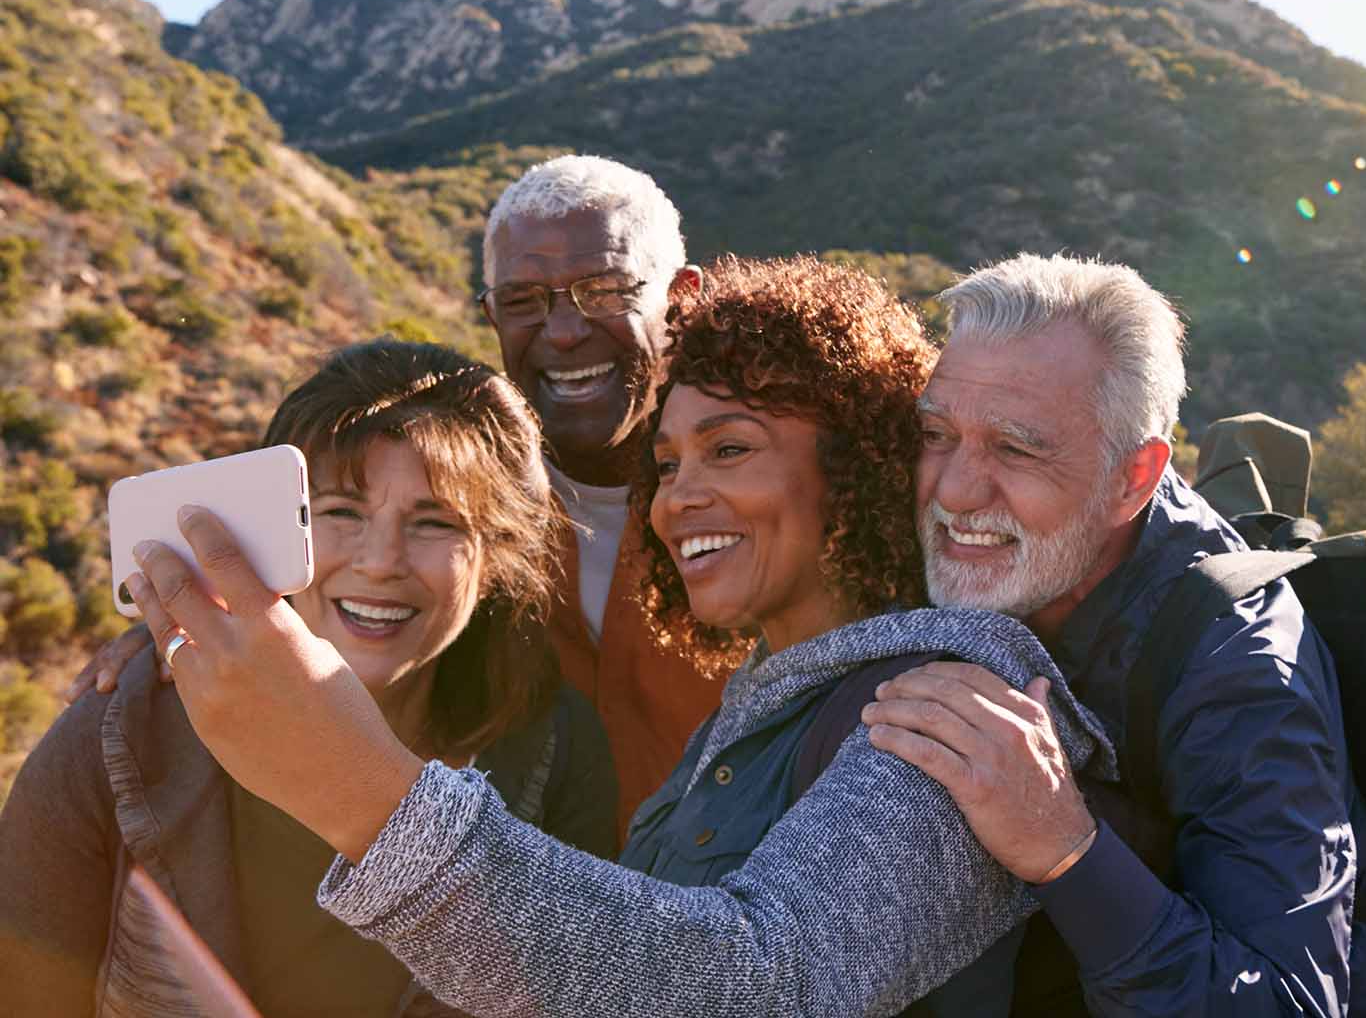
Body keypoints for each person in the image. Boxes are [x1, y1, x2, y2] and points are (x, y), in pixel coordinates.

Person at [114, 255, 1120, 1017]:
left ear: (856, 466)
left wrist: (362, 793)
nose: (680, 498)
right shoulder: (766, 711)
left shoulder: (958, 689)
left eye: (729, 449)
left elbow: (764, 985)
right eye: (667, 461)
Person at [70, 155, 732, 824]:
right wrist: (180, 633)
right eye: (523, 303)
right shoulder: (457, 493)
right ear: (491, 315)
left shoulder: (768, 499)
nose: (563, 331)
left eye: (605, 290)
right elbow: (303, 601)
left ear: (682, 299)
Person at [0, 339, 619, 1016]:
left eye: (434, 522)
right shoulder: (122, 728)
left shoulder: (553, 751)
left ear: (497, 556)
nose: (381, 561)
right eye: (341, 513)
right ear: (272, 534)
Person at [862, 253, 1366, 1015]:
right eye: (936, 434)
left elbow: (1294, 1000)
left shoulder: (1241, 669)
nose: (953, 489)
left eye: (1017, 448)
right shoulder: (1000, 552)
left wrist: (1065, 850)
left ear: (1133, 478)